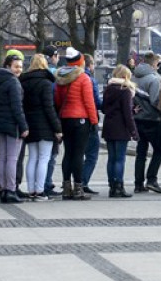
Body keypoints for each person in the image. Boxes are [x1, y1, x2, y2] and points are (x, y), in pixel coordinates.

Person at [54, 48, 99, 200]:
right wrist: (94, 121)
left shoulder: (60, 77)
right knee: (79, 154)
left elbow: (58, 101)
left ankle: (67, 188)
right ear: (80, 62)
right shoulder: (83, 78)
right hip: (81, 120)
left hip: (65, 119)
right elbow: (89, 102)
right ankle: (78, 188)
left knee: (68, 153)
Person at [20, 54, 62, 201]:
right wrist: (57, 128)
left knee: (32, 158)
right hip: (45, 125)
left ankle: (31, 190)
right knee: (44, 158)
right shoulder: (46, 83)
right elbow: (49, 108)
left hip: (30, 124)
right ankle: (40, 191)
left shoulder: (23, 82)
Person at [0, 53, 29, 203]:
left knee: (2, 157)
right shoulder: (13, 82)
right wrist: (23, 126)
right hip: (12, 124)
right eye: (16, 66)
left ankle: (2, 188)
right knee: (12, 159)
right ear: (8, 66)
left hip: (0, 123)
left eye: (20, 67)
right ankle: (11, 190)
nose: (19, 69)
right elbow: (17, 107)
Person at [101, 64, 138, 197]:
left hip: (109, 126)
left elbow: (104, 109)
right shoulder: (125, 90)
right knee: (120, 159)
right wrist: (133, 131)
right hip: (121, 127)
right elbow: (127, 114)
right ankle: (119, 187)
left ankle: (112, 186)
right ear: (125, 76)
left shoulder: (108, 89)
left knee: (111, 158)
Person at [132, 52, 161, 194]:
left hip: (137, 117)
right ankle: (151, 179)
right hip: (151, 119)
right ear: (153, 63)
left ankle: (138, 184)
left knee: (141, 153)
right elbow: (155, 100)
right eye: (157, 63)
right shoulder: (154, 79)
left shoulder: (134, 76)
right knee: (159, 150)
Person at [81, 54, 103, 194]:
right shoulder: (90, 80)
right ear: (89, 65)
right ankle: (82, 182)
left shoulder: (68, 78)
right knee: (92, 154)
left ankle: (72, 182)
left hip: (72, 120)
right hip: (89, 120)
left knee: (76, 153)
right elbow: (96, 102)